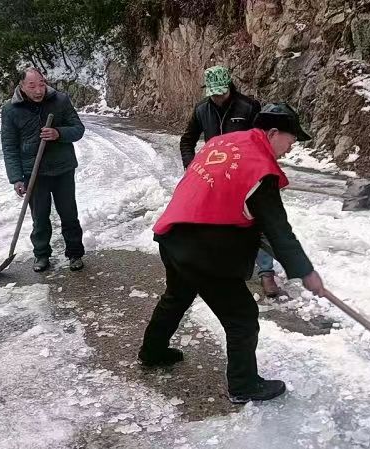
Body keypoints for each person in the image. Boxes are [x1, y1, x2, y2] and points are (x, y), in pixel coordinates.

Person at [139, 103, 326, 403]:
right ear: (274, 132)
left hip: (173, 235)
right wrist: (306, 272)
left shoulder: (223, 141)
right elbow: (278, 229)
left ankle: (152, 351)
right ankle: (243, 385)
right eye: (291, 141)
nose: (291, 149)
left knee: (177, 296)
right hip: (204, 250)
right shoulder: (260, 168)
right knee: (242, 317)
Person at [179, 65, 280, 297]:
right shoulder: (202, 109)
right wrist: (191, 164)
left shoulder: (249, 107)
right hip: (216, 177)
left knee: (257, 220)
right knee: (221, 222)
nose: (217, 97)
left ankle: (266, 273)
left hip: (246, 176)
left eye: (221, 92)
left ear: (229, 87)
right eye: (213, 93)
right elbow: (187, 140)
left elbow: (263, 141)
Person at [1, 67, 86, 273]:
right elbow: (9, 146)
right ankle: (41, 255)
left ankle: (75, 253)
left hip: (63, 168)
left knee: (68, 214)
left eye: (41, 84)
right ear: (21, 86)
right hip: (34, 172)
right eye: (32, 86)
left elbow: (78, 129)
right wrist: (16, 178)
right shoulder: (11, 110)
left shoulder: (60, 101)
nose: (38, 90)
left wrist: (58, 133)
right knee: (40, 217)